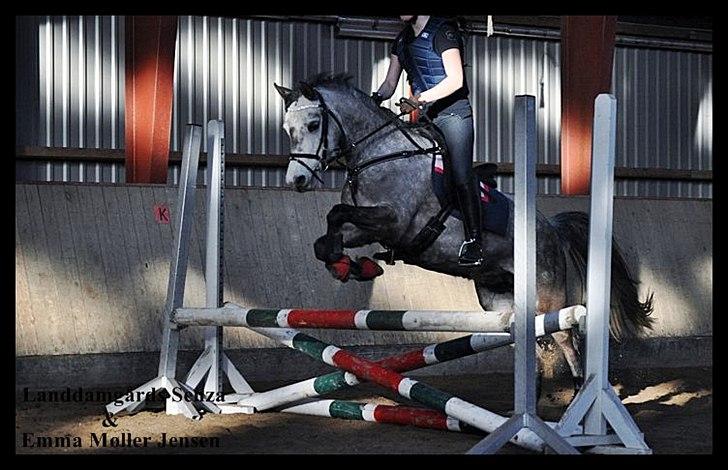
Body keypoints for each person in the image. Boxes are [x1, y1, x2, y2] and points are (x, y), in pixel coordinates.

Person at [372, 15, 483, 266]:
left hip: (453, 115)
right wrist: (375, 98)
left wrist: (419, 99)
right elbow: (390, 83)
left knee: (460, 175)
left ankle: (475, 242)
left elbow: (455, 80)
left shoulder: (443, 31)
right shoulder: (401, 40)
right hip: (426, 117)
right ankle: (400, 239)